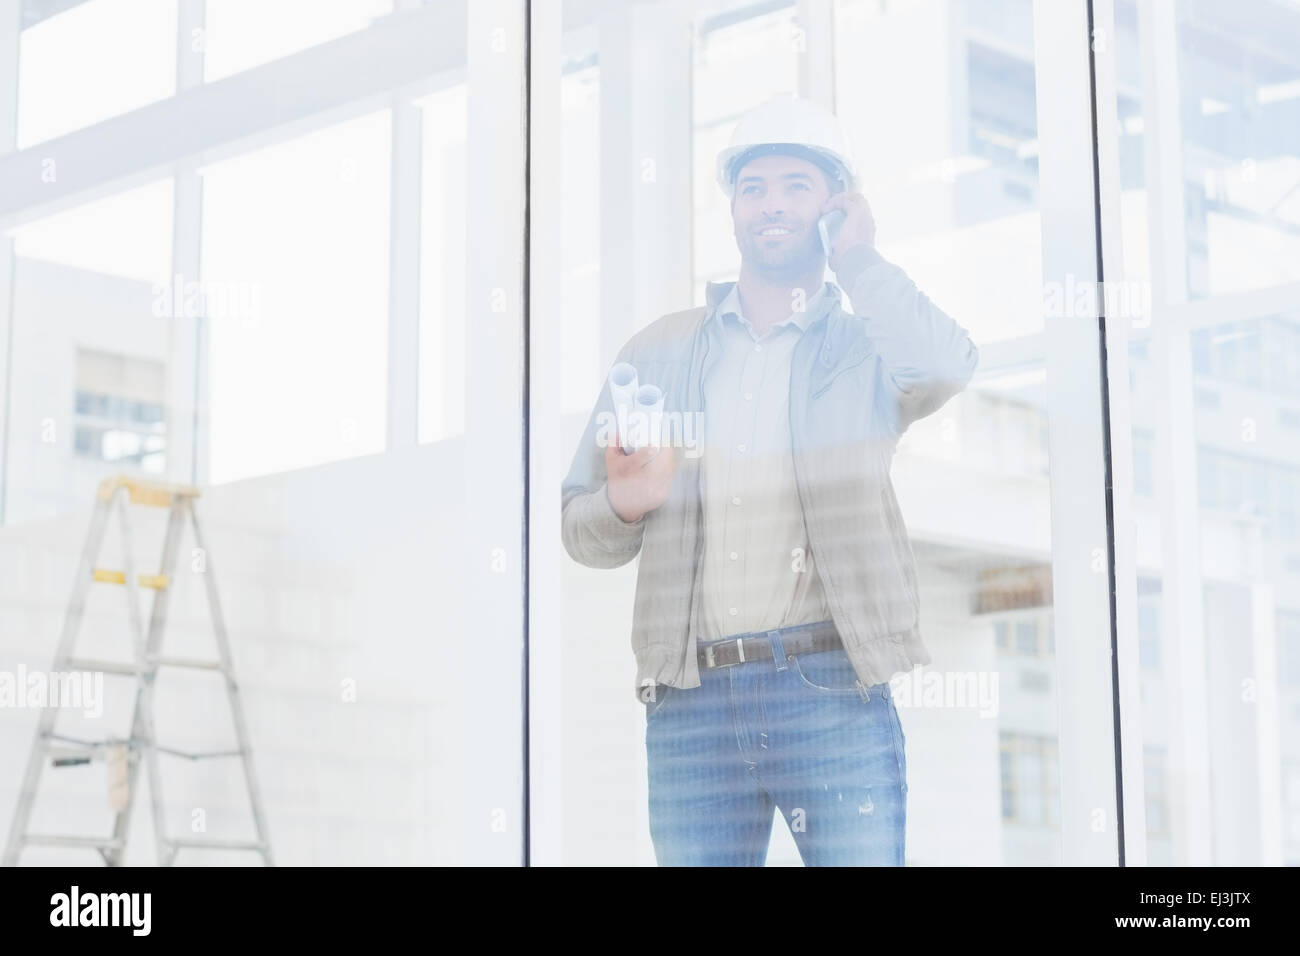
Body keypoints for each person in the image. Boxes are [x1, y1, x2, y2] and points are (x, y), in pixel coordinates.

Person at [561, 94, 979, 866]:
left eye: (796, 185)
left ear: (833, 206)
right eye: (753, 188)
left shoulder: (865, 354)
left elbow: (949, 364)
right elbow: (578, 529)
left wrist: (858, 259)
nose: (771, 204)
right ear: (732, 210)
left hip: (831, 691)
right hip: (690, 705)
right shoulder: (657, 354)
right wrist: (624, 504)